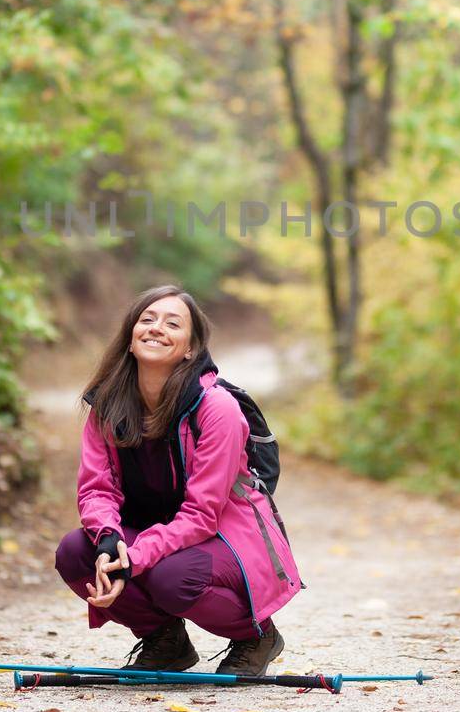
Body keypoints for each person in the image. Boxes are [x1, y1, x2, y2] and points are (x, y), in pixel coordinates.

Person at [53, 285, 303, 674]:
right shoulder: (108, 406)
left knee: (174, 577)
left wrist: (132, 559)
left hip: (224, 539)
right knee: (77, 552)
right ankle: (164, 640)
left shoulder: (218, 409)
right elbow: (96, 488)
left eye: (173, 323)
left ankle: (257, 636)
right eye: (147, 320)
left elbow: (202, 515)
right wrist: (109, 540)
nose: (156, 328)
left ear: (190, 348)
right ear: (131, 340)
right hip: (159, 535)